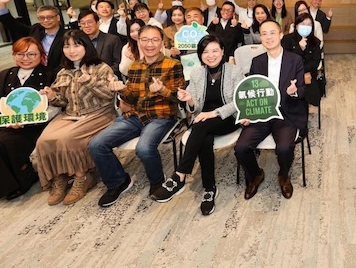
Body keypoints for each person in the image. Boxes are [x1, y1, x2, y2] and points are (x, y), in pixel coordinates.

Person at [89, 25, 185, 207]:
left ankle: (157, 181)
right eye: (145, 40)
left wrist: (163, 90)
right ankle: (119, 182)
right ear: (139, 42)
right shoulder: (134, 67)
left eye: (155, 40)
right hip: (135, 115)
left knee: (144, 148)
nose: (150, 44)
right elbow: (132, 98)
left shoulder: (173, 65)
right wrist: (121, 90)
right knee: (96, 144)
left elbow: (179, 98)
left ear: (162, 43)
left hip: (161, 116)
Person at [152, 35, 244, 215]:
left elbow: (238, 102)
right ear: (200, 55)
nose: (211, 55)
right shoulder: (196, 74)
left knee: (201, 126)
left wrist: (212, 113)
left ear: (222, 51)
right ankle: (209, 189)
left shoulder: (235, 71)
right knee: (204, 138)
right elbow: (194, 108)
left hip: (228, 118)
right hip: (203, 119)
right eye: (206, 52)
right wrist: (190, 100)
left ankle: (180, 175)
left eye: (215, 50)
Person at [35, 30, 117, 205]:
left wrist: (90, 81)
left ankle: (82, 176)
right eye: (67, 46)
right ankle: (60, 177)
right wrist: (52, 96)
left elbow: (110, 95)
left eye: (76, 45)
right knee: (43, 140)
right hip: (71, 114)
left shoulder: (101, 67)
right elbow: (62, 101)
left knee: (68, 138)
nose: (72, 50)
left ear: (86, 46)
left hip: (99, 113)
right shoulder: (63, 72)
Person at [234, 19, 307, 200]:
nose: (268, 37)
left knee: (284, 148)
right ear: (260, 37)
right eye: (264, 34)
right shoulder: (257, 62)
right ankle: (255, 174)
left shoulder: (295, 60)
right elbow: (252, 92)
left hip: (286, 113)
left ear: (281, 35)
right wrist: (247, 113)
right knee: (241, 148)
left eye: (272, 33)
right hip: (262, 112)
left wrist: (294, 91)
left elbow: (303, 90)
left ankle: (284, 176)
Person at [0, 38, 54, 200]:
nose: (25, 58)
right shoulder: (4, 75)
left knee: (5, 142)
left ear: (41, 55)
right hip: (7, 123)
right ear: (14, 55)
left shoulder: (50, 74)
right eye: (20, 54)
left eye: (31, 54)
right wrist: (8, 120)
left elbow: (57, 105)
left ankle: (22, 179)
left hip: (35, 125)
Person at [0, 0, 67, 72]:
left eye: (49, 17)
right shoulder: (37, 29)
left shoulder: (66, 35)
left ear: (58, 18)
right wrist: (2, 5)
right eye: (42, 18)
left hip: (57, 72)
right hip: (35, 70)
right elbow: (13, 26)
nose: (46, 20)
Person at [282, 13, 323, 107]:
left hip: (307, 75)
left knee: (313, 94)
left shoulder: (315, 42)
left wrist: (300, 71)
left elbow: (315, 63)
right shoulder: (287, 39)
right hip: (289, 75)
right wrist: (299, 49)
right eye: (303, 24)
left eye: (309, 24)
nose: (306, 27)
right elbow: (286, 60)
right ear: (296, 26)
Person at [77, 10, 122, 75]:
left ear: (98, 23)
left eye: (89, 22)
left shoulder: (112, 39)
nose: (86, 26)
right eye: (83, 23)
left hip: (108, 77)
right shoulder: (79, 42)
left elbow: (118, 64)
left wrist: (101, 75)